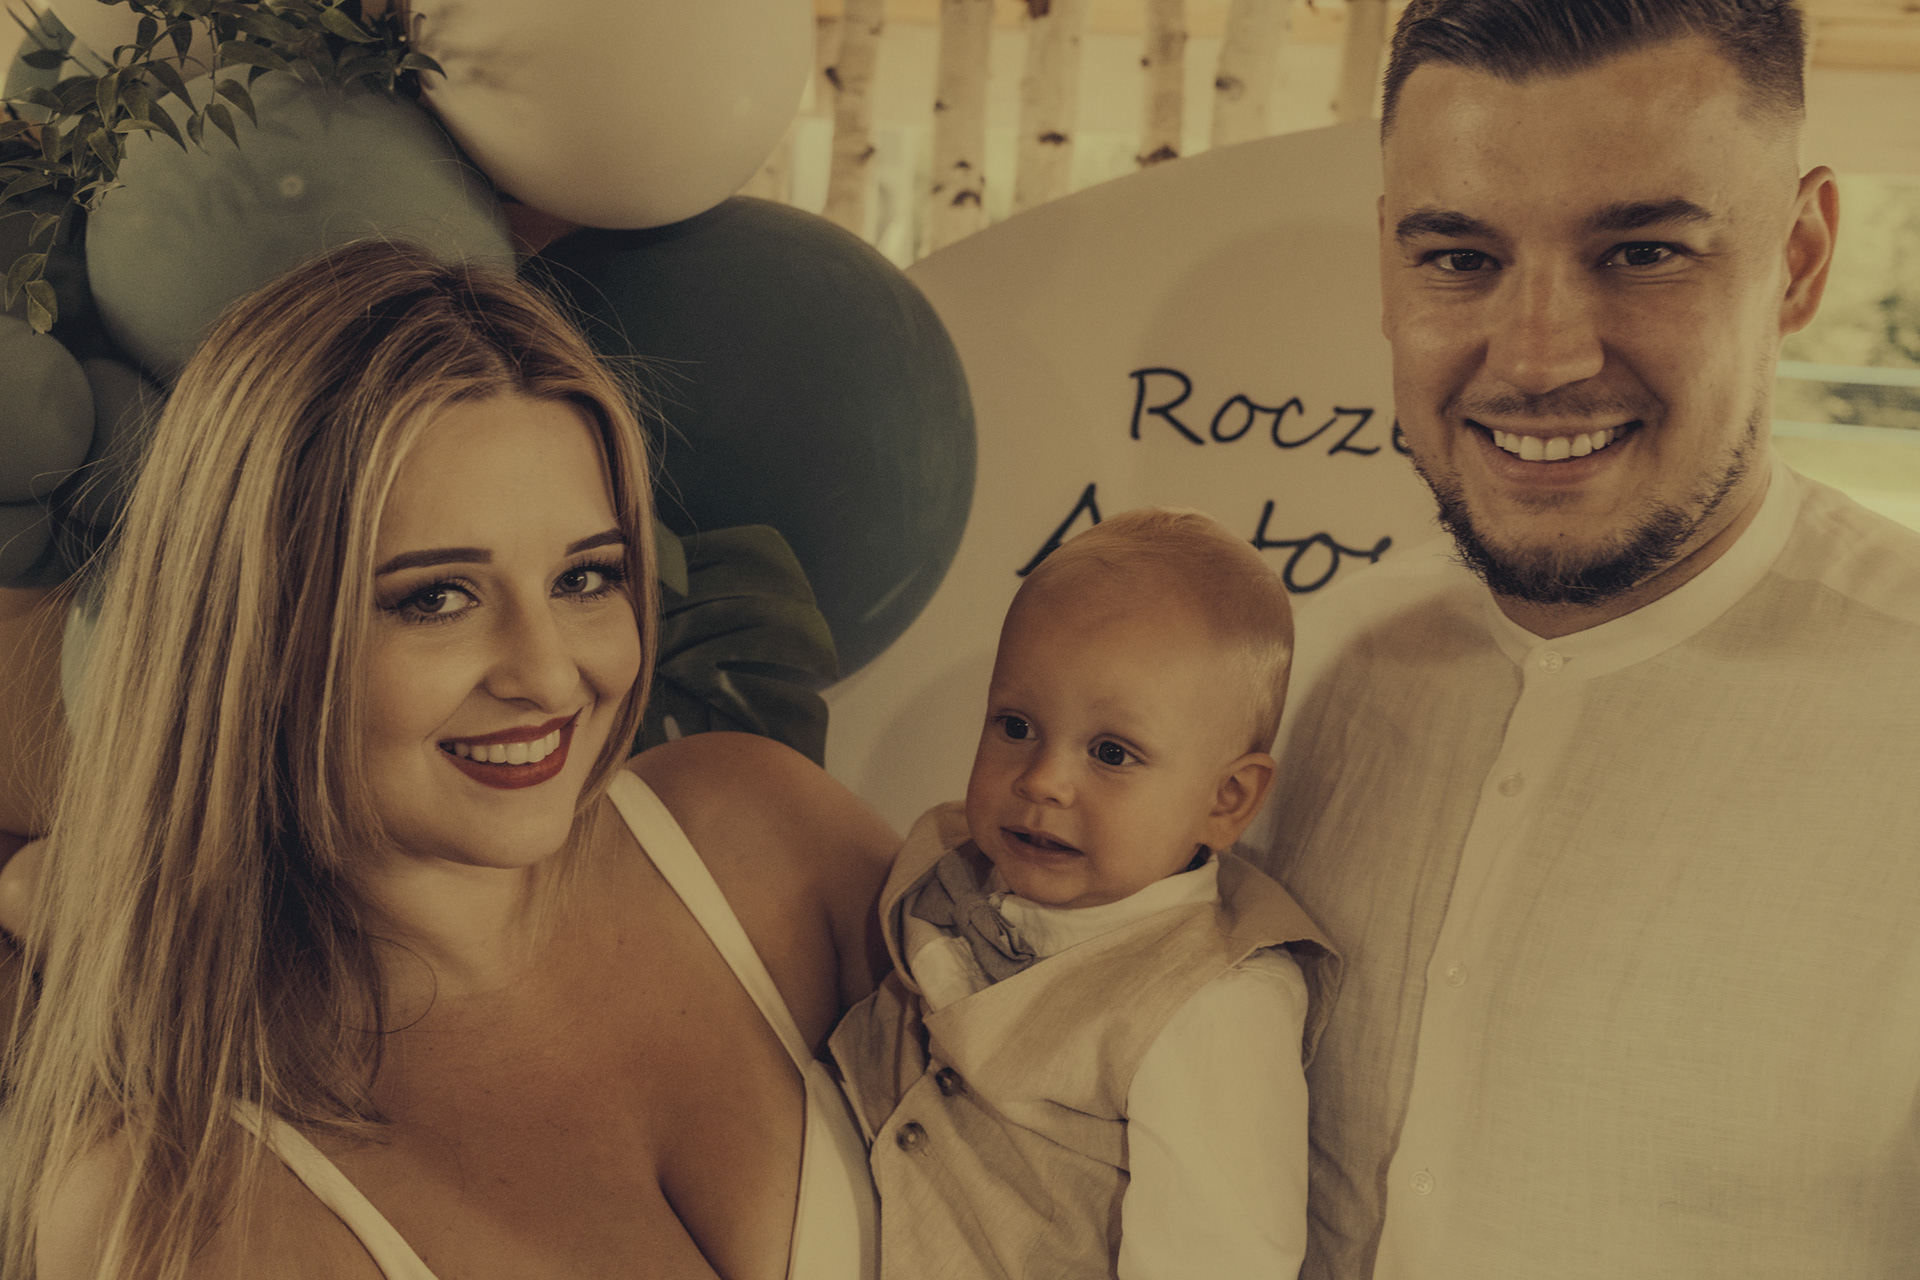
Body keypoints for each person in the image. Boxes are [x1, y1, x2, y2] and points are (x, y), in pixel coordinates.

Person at [0, 240, 897, 1280]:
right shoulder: (165, 1203)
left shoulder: (762, 839)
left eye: (585, 578)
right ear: (252, 634)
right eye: (436, 597)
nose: (549, 676)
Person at [1251, 2, 1920, 1277]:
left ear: (1800, 258)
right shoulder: (1287, 681)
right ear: (1388, 266)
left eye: (1644, 252)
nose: (1540, 356)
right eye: (1460, 258)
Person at [831, 509, 1338, 1280]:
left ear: (1226, 799)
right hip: (854, 1186)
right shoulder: (953, 868)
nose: (1042, 780)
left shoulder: (1213, 1008)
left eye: (1111, 752)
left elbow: (1215, 1260)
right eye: (1015, 725)